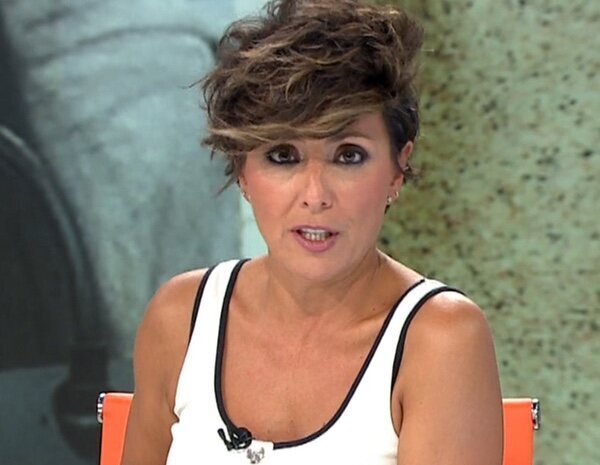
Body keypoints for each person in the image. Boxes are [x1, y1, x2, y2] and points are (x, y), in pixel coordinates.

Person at [120, 0, 504, 464]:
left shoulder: (440, 339)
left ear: (397, 168)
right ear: (241, 170)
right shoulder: (179, 317)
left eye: (348, 156)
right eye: (283, 156)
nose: (316, 195)